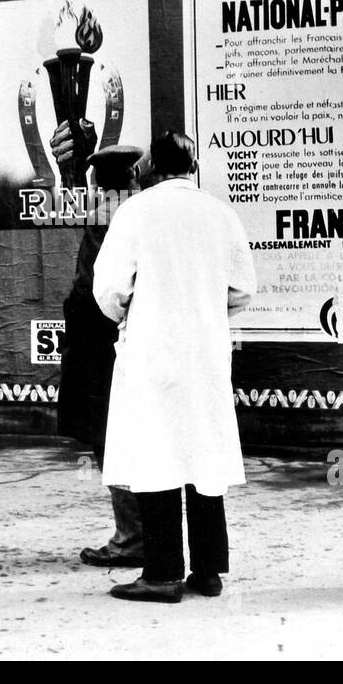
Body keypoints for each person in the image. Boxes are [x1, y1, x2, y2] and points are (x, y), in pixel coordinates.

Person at [92, 131, 256, 603]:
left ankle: (162, 573)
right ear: (193, 166)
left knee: (157, 457)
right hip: (205, 355)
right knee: (204, 459)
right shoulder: (220, 214)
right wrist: (202, 308)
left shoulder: (136, 213)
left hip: (153, 354)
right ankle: (208, 571)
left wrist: (138, 314)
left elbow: (109, 292)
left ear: (150, 169)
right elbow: (244, 289)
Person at [57, 145, 146, 568]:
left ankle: (130, 538)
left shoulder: (105, 221)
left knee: (114, 440)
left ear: (97, 182)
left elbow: (92, 291)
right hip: (142, 344)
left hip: (104, 351)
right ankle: (148, 534)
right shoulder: (147, 211)